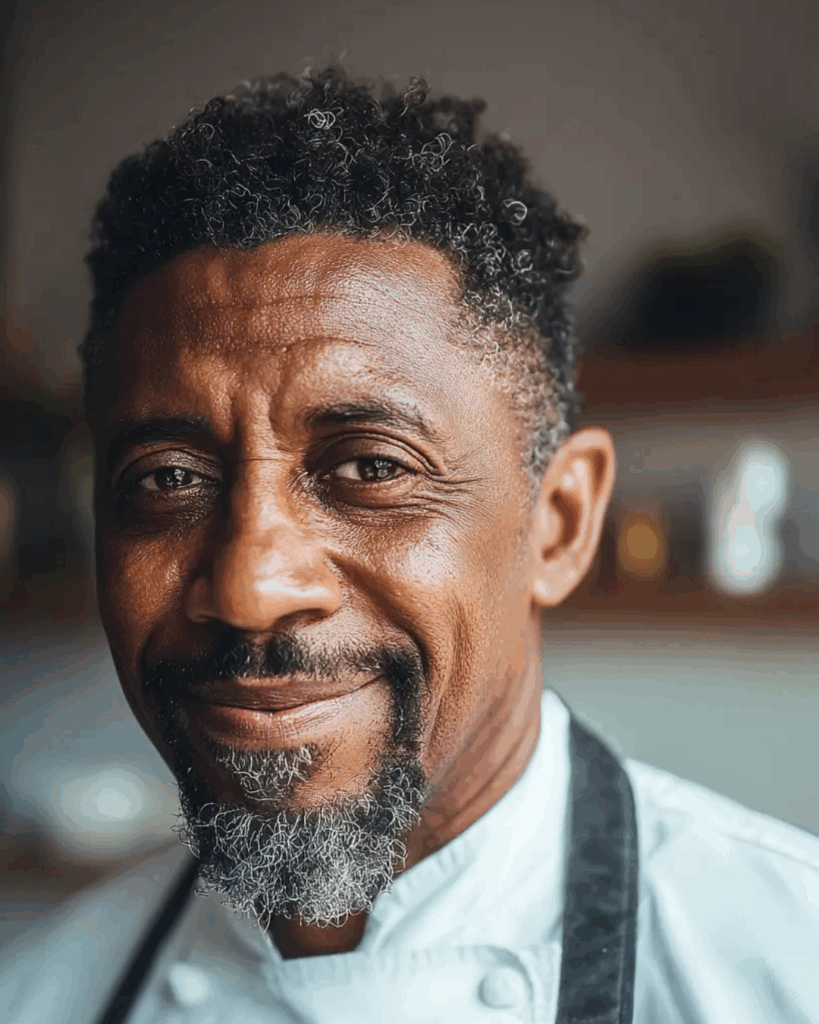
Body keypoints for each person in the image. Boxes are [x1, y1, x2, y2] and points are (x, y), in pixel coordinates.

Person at [3, 67, 818, 1024]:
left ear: (558, 524)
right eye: (167, 480)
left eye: (372, 468)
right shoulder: (37, 992)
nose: (250, 587)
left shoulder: (786, 964)